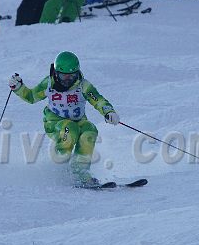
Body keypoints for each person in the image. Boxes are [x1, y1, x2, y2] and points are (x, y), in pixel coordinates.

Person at [8, 51, 120, 187]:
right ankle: (60, 167)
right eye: (63, 76)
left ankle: (80, 172)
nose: (67, 80)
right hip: (54, 122)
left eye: (72, 76)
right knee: (70, 129)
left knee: (90, 130)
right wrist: (18, 88)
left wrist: (109, 112)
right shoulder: (48, 84)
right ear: (56, 73)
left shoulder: (83, 86)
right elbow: (31, 97)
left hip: (78, 120)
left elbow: (98, 100)